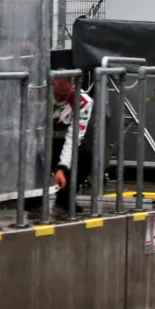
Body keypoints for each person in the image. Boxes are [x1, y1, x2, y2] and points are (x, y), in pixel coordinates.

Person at [51, 74, 93, 210]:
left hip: (62, 141)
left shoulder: (83, 102)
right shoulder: (37, 94)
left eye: (62, 96)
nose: (58, 99)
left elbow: (73, 139)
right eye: (55, 94)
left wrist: (62, 168)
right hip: (39, 141)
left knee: (85, 155)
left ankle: (65, 196)